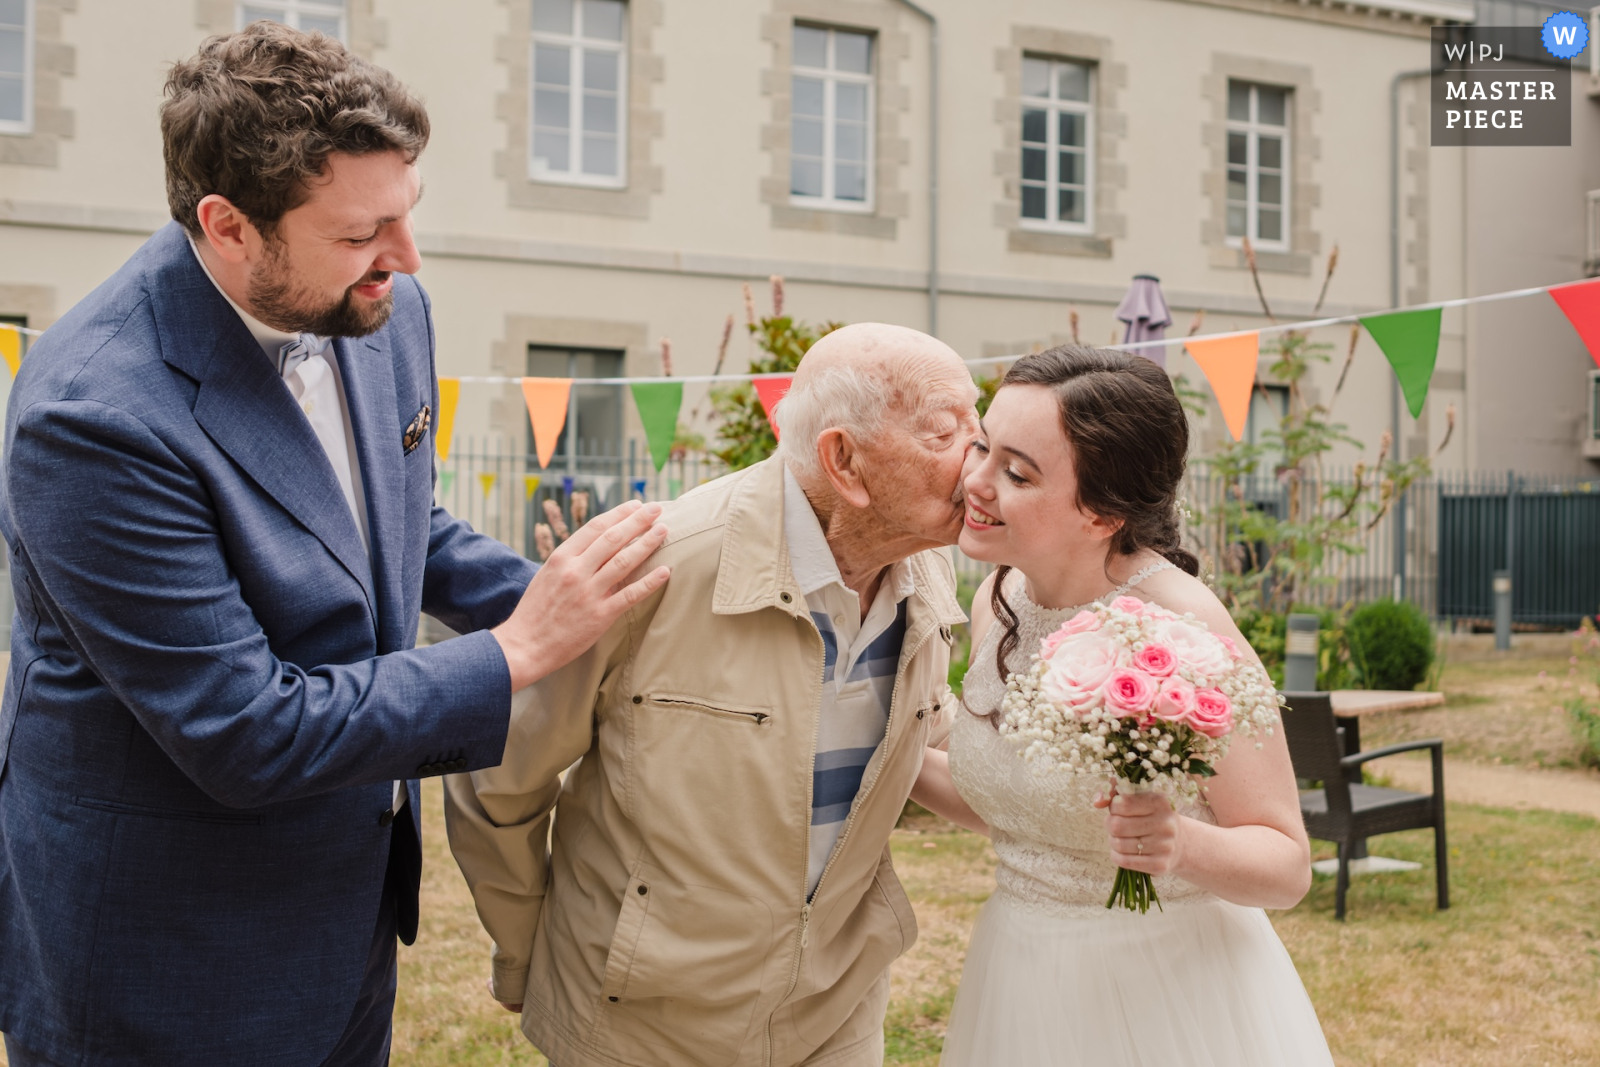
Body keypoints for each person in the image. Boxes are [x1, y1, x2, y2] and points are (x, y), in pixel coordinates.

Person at [0, 24, 669, 1067]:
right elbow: (243, 726)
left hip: (347, 918)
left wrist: (588, 600)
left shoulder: (385, 309)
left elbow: (397, 525)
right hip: (163, 952)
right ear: (228, 226)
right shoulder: (93, 418)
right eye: (363, 232)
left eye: (406, 213)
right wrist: (516, 651)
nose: (405, 257)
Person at [445, 323, 978, 1067]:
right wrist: (522, 950)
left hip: (837, 1009)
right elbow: (500, 778)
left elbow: (932, 736)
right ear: (844, 461)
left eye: (979, 423)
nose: (982, 456)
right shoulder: (652, 566)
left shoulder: (926, 570)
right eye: (948, 433)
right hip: (643, 1023)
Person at [911, 346, 1333, 1065]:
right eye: (982, 446)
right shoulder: (998, 598)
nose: (974, 482)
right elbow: (1014, 803)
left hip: (1164, 989)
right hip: (1018, 975)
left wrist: (1180, 844)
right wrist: (875, 744)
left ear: (1104, 512)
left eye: (1017, 473)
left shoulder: (1184, 626)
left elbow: (1288, 865)